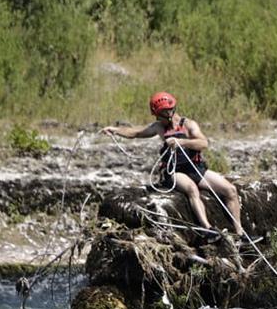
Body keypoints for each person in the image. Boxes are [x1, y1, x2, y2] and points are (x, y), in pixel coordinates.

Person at [102, 92, 254, 245]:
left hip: (196, 168)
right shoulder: (159, 127)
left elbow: (203, 143)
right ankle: (207, 229)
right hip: (174, 171)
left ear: (168, 112)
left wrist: (182, 142)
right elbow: (135, 132)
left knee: (230, 190)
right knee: (191, 189)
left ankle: (240, 234)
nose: (158, 119)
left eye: (159, 115)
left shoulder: (189, 125)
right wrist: (115, 130)